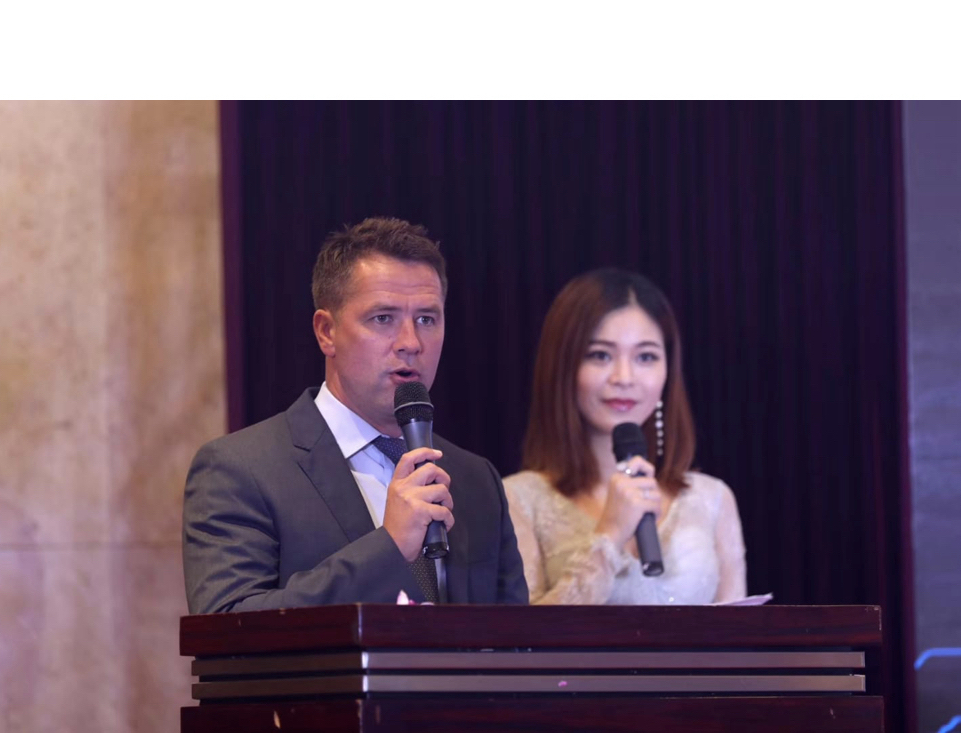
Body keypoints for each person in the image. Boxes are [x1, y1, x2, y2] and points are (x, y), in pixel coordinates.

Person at [183, 217, 529, 614]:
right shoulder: (240, 470)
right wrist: (389, 547)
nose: (411, 342)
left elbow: (515, 639)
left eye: (427, 319)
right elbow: (229, 625)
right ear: (326, 332)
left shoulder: (476, 479)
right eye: (383, 318)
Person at [503, 268, 746, 606]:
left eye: (646, 357)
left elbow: (738, 632)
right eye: (600, 355)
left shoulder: (712, 498)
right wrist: (610, 534)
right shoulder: (517, 499)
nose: (624, 377)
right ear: (564, 367)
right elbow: (522, 635)